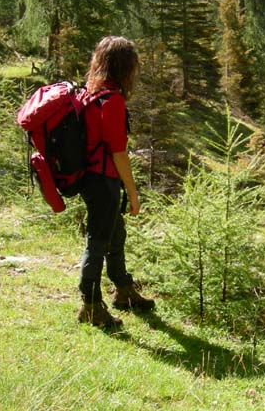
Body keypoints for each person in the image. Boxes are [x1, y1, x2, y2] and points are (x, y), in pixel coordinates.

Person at [77, 36, 154, 327]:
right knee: (97, 242)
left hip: (90, 177)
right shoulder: (112, 100)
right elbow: (119, 152)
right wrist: (133, 193)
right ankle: (92, 306)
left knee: (115, 233)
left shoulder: (90, 93)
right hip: (103, 180)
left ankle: (124, 291)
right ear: (124, 66)